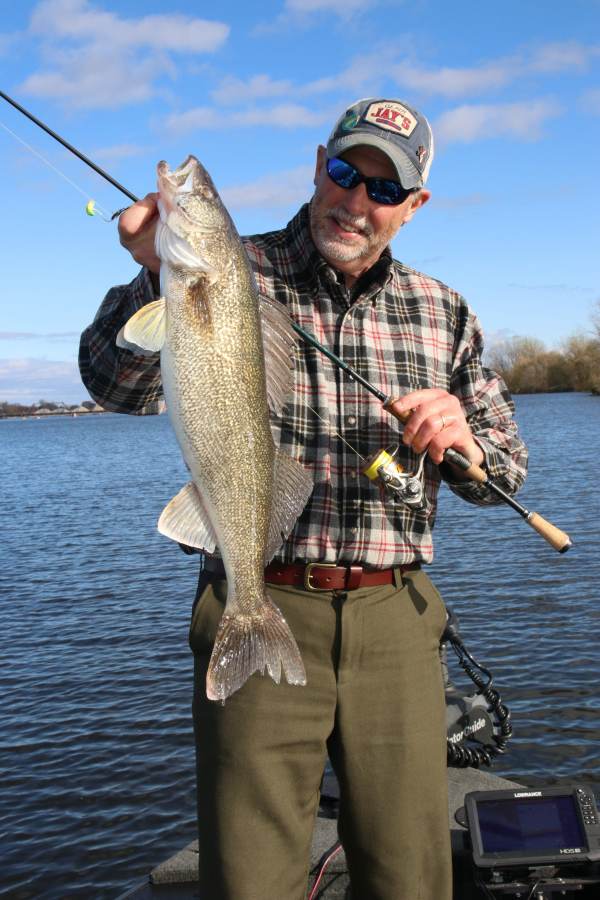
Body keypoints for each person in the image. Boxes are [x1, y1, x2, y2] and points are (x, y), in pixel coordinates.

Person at [79, 97, 528, 900]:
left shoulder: (444, 310)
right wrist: (155, 268)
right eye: (345, 172)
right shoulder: (228, 269)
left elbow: (505, 474)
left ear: (414, 206)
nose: (356, 201)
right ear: (318, 162)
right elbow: (113, 383)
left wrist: (464, 443)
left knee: (410, 876)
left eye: (383, 190)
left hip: (396, 618)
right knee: (249, 877)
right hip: (260, 590)